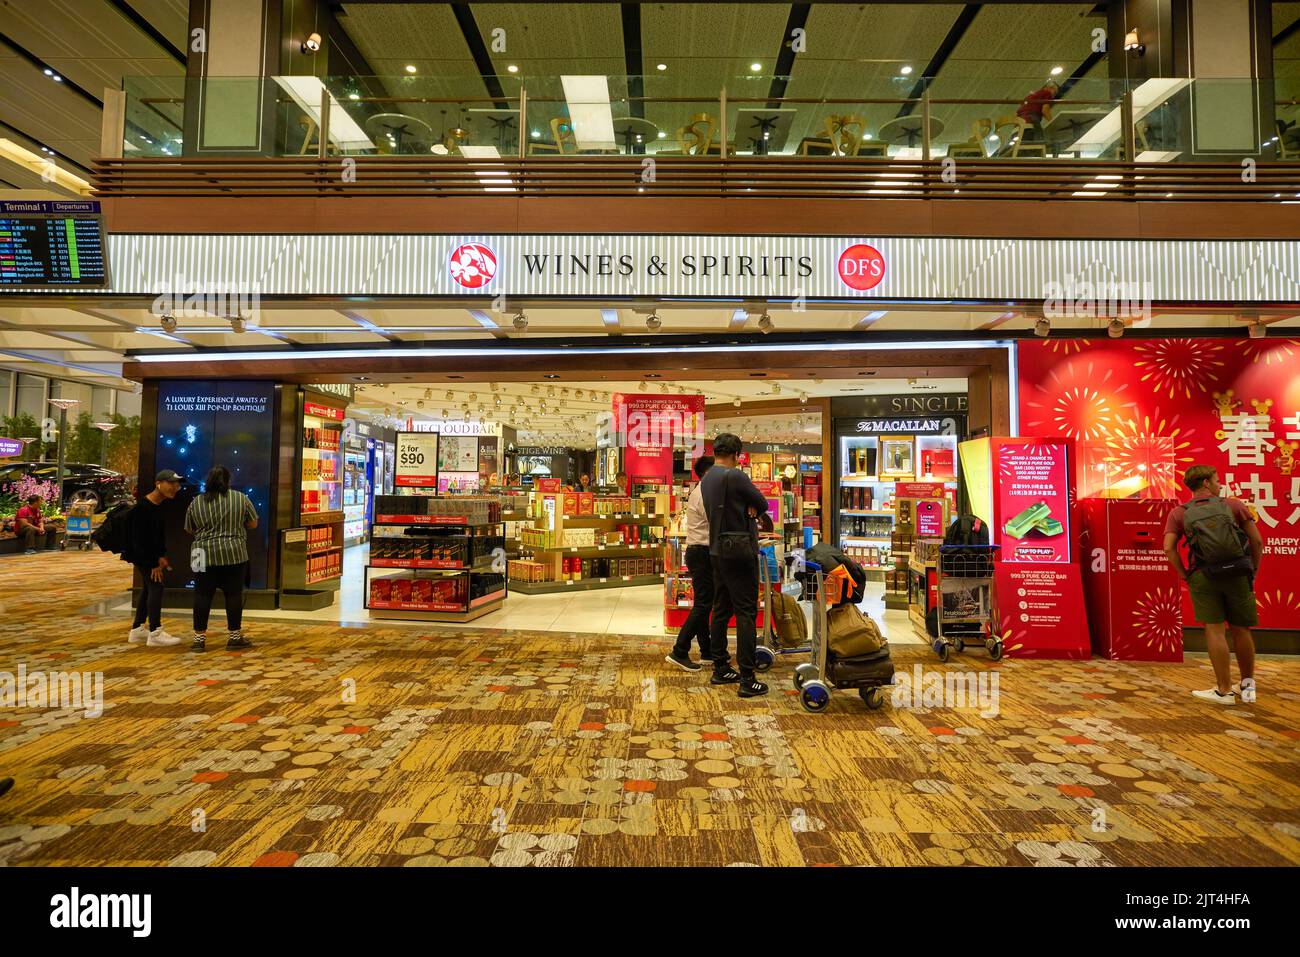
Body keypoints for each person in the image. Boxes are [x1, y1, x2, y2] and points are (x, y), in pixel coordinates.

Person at [1163, 465, 1263, 704]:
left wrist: (1185, 575)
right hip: (1238, 573)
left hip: (1203, 575)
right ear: (1206, 483)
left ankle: (1224, 690)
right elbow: (1257, 541)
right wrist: (1252, 570)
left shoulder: (1180, 513)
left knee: (1215, 629)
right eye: (1217, 481)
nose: (1220, 485)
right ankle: (1247, 688)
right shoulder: (1234, 505)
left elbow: (1168, 547)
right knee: (1241, 629)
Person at [701, 433, 770, 697]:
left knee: (720, 608)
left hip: (717, 550)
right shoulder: (736, 476)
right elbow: (762, 504)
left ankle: (720, 667)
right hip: (740, 550)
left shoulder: (707, 479)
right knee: (745, 612)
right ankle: (747, 678)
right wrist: (752, 506)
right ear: (736, 455)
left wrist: (748, 505)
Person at [184, 465, 258, 651]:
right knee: (233, 594)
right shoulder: (240, 498)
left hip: (200, 554)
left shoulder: (196, 502)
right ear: (227, 481)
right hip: (233, 552)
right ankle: (234, 637)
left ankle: (199, 640)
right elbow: (253, 523)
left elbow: (188, 528)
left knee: (201, 595)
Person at [665, 455, 714, 673]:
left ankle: (707, 651)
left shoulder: (702, 490)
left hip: (700, 551)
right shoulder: (704, 492)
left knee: (704, 603)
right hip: (702, 552)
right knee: (704, 604)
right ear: (707, 472)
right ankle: (680, 650)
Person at [126, 470, 184, 647]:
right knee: (156, 587)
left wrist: (161, 556)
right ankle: (155, 632)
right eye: (172, 483)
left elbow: (156, 536)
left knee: (148, 588)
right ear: (159, 483)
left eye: (177, 484)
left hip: (150, 556)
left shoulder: (158, 506)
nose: (176, 487)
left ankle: (137, 630)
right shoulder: (142, 508)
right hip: (142, 556)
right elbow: (138, 540)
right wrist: (152, 563)